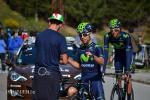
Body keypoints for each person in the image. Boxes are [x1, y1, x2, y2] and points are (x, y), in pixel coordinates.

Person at [32, 13, 68, 100]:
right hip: (52, 74)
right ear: (60, 25)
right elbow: (65, 60)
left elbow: (37, 54)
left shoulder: (39, 36)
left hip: (38, 73)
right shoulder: (61, 38)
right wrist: (56, 59)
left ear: (49, 22)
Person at [68, 22, 105, 100]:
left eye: (84, 35)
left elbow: (102, 61)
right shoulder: (80, 49)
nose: (82, 37)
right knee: (71, 91)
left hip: (95, 81)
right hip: (84, 81)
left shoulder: (97, 47)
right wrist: (69, 60)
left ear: (90, 34)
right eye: (80, 35)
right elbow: (78, 65)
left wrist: (93, 57)